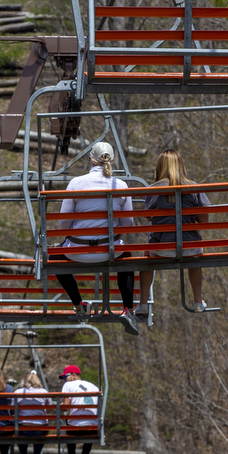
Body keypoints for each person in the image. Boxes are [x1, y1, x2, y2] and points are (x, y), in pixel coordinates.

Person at [55, 141, 139, 335]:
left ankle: (79, 305)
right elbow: (128, 223)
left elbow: (63, 224)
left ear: (90, 159)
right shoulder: (121, 185)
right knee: (126, 257)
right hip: (110, 251)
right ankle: (128, 309)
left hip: (77, 251)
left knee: (54, 258)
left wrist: (74, 236)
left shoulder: (75, 183)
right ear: (113, 160)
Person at [138, 149, 212, 314]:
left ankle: (142, 303)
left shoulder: (153, 190)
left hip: (162, 249)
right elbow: (204, 220)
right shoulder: (194, 187)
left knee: (146, 254)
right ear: (181, 165)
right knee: (195, 255)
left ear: (160, 167)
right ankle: (197, 301)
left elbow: (149, 217)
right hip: (190, 248)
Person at [59, 365, 98, 454]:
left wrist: (60, 405)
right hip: (93, 429)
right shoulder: (94, 387)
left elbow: (66, 408)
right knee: (90, 423)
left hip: (75, 429)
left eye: (65, 377)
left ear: (73, 375)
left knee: (69, 423)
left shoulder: (68, 385)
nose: (64, 380)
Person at [14, 370, 50, 454]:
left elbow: (12, 410)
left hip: (23, 428)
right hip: (40, 429)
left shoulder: (18, 392)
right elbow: (48, 410)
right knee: (40, 434)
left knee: (20, 433)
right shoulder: (44, 392)